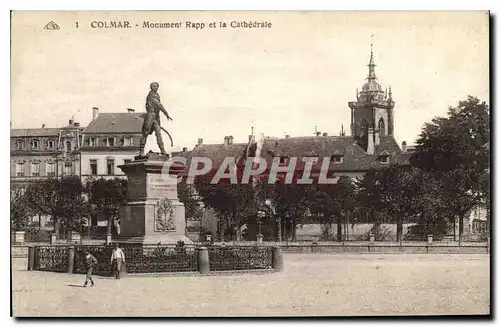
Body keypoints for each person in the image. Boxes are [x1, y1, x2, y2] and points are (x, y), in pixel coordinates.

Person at [139, 82, 173, 156]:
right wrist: (166, 114)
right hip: (150, 116)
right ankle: (141, 151)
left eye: (157, 86)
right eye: (154, 86)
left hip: (156, 117)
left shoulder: (157, 95)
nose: (156, 87)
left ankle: (162, 150)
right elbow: (159, 105)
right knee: (145, 133)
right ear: (151, 87)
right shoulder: (151, 95)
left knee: (158, 134)